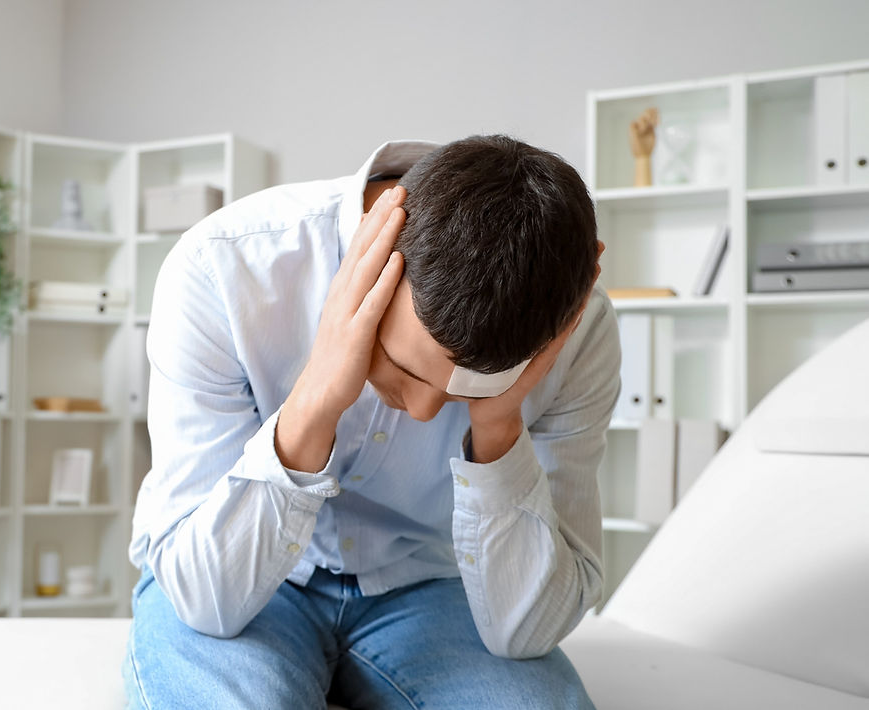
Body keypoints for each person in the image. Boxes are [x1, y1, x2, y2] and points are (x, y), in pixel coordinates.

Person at [124, 135, 620, 709]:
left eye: (465, 391)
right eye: (407, 367)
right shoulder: (223, 268)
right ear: (373, 259)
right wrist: (315, 400)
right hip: (243, 574)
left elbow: (525, 635)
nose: (424, 409)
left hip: (430, 586)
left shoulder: (579, 336)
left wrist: (499, 427)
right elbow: (206, 598)